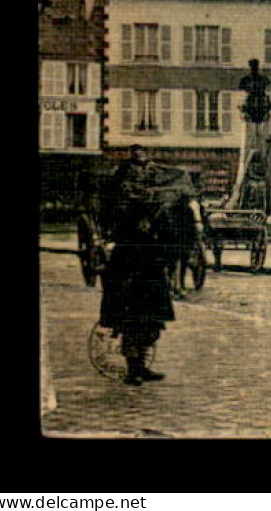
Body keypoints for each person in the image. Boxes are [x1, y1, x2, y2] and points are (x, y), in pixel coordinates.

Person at [97, 146, 175, 385]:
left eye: (146, 171)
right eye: (139, 171)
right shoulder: (120, 198)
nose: (144, 176)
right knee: (130, 318)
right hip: (128, 263)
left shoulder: (157, 200)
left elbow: (165, 226)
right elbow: (113, 222)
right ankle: (133, 368)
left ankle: (141, 364)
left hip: (150, 263)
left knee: (151, 319)